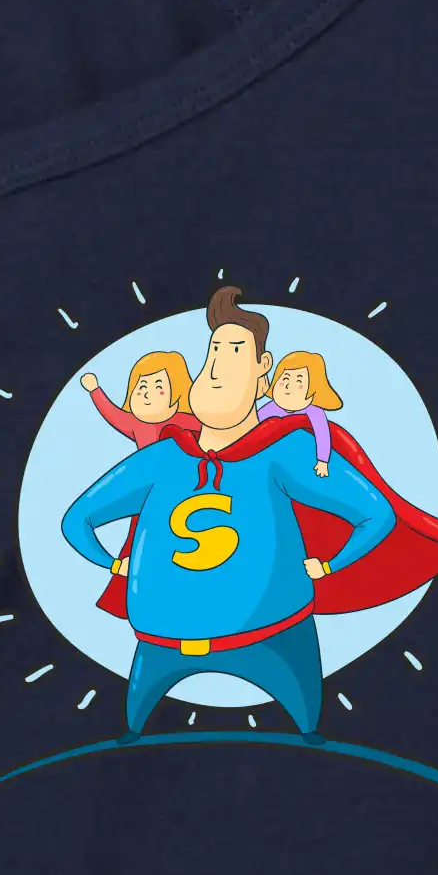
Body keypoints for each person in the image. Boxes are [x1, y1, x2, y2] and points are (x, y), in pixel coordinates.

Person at [62, 289, 393, 734]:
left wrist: (331, 564)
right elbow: (77, 520)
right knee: (132, 735)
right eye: (214, 351)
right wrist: (112, 563)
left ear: (262, 373)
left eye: (235, 351)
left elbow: (375, 514)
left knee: (308, 733)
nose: (218, 366)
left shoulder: (283, 451)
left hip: (274, 639)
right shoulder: (161, 458)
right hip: (159, 645)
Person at [79, 352, 194, 448]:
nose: (147, 394)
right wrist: (95, 390)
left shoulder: (189, 420)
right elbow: (112, 413)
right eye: (142, 386)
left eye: (158, 387)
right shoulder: (136, 424)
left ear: (178, 391)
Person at [255, 351, 340, 476]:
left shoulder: (314, 412)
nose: (289, 386)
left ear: (314, 390)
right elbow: (254, 426)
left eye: (299, 382)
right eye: (285, 378)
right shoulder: (271, 408)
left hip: (301, 460)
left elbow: (322, 434)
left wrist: (322, 461)